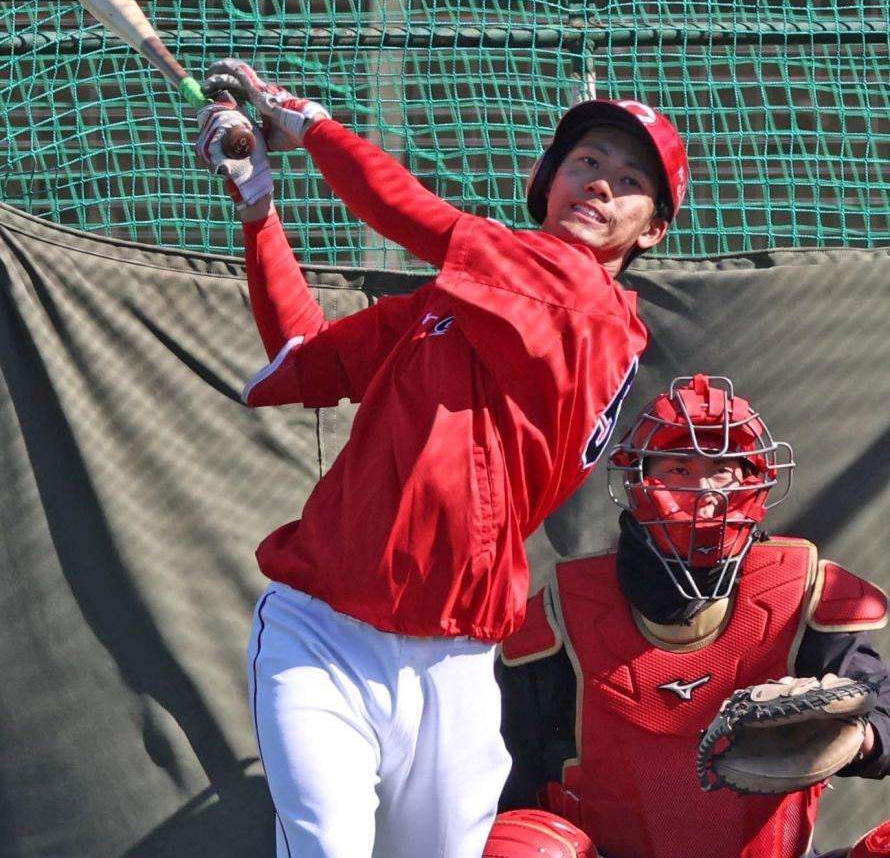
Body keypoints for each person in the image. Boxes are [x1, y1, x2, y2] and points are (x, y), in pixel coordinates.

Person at [192, 57, 689, 858]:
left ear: (652, 230)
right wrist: (258, 209)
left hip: (453, 663)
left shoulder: (590, 308)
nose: (600, 182)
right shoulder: (455, 301)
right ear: (545, 179)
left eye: (631, 181)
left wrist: (306, 122)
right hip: (323, 631)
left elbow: (408, 213)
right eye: (586, 160)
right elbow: (303, 361)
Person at [497, 373, 890, 858]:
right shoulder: (566, 607)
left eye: (722, 470)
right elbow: (504, 769)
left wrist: (859, 739)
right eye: (679, 469)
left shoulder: (804, 589)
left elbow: (883, 710)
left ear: (755, 482)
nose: (704, 491)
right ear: (638, 482)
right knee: (517, 847)